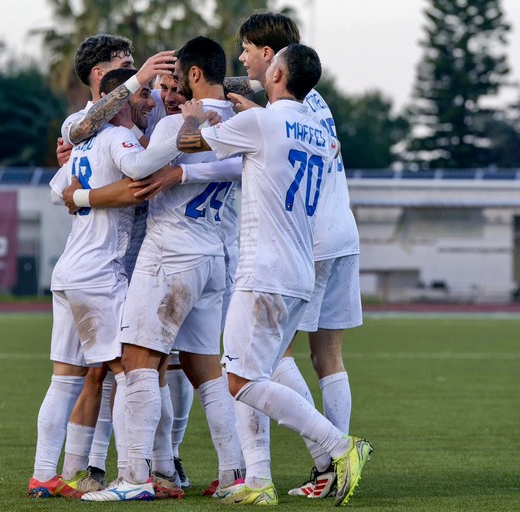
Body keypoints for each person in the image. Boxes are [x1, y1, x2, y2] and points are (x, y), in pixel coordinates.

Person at [175, 43, 373, 507]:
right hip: (300, 270)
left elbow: (188, 144)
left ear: (278, 72)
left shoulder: (263, 121)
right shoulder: (319, 132)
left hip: (264, 268)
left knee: (240, 382)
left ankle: (341, 447)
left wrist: (191, 113)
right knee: (251, 372)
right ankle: (259, 480)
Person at [81, 36, 245, 503]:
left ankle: (134, 476)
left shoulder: (180, 123)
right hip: (215, 258)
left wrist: (182, 126)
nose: (164, 97)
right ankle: (233, 474)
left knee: (136, 363)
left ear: (194, 76)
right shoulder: (241, 120)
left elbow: (135, 169)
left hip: (172, 256)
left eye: (173, 84)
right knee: (206, 370)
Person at [28, 67, 182, 500]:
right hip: (99, 274)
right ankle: (138, 476)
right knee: (135, 374)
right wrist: (183, 133)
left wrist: (80, 197)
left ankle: (44, 476)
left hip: (69, 272)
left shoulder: (84, 139)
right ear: (123, 99)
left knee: (65, 380)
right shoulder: (117, 137)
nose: (151, 102)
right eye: (146, 94)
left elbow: (57, 190)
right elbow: (139, 175)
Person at [230, 11, 365, 499]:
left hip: (304, 241)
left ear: (272, 59)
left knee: (263, 361)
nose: (242, 57)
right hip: (342, 229)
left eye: (247, 48)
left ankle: (329, 456)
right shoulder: (314, 99)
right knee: (328, 356)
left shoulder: (277, 109)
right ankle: (332, 468)